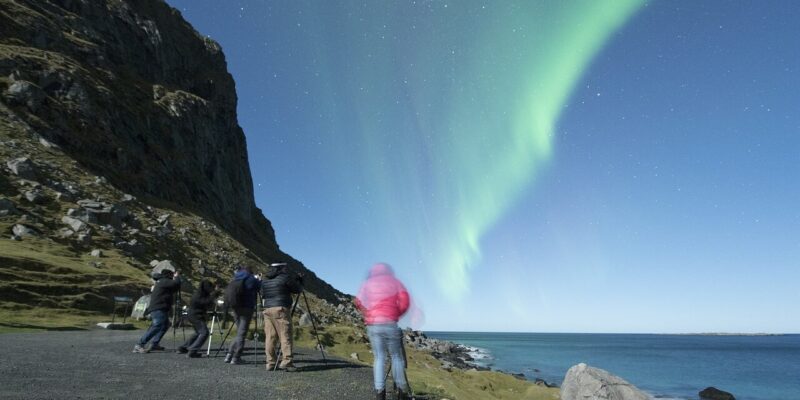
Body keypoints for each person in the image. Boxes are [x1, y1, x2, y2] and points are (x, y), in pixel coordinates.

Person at [354, 263, 411, 400]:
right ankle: (402, 391)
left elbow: (357, 301)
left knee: (379, 358)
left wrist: (367, 313)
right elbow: (405, 301)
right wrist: (396, 313)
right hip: (390, 323)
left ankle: (380, 393)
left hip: (373, 324)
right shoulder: (395, 282)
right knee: (396, 357)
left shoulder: (367, 283)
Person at [260, 264, 303, 371]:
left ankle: (270, 362)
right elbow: (297, 289)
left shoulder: (265, 280)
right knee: (285, 335)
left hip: (267, 309)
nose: (286, 269)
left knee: (270, 337)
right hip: (281, 309)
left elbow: (262, 294)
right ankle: (287, 361)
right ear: (280, 269)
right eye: (284, 268)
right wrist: (300, 280)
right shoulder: (285, 278)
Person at [133, 269, 182, 353]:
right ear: (169, 275)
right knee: (157, 325)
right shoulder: (164, 281)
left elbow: (174, 288)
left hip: (160, 307)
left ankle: (154, 344)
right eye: (171, 275)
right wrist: (177, 276)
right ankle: (139, 345)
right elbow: (176, 284)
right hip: (158, 307)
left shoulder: (162, 281)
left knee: (165, 325)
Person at [224, 265, 261, 365]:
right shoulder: (250, 278)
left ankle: (229, 355)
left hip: (235, 307)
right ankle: (236, 357)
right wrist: (258, 280)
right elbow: (259, 288)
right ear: (251, 271)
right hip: (246, 308)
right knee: (242, 333)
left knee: (239, 332)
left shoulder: (236, 277)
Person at [178, 280, 218, 358]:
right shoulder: (198, 295)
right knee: (204, 333)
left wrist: (214, 294)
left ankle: (183, 347)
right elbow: (205, 302)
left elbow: (207, 303)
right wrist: (214, 294)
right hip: (196, 316)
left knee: (198, 332)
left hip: (194, 315)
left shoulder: (201, 293)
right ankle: (192, 351)